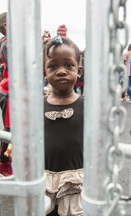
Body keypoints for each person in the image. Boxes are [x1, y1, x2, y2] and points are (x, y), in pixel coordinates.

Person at [43, 36, 84, 216]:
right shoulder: (37, 105)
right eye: (53, 66)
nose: (61, 71)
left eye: (68, 65)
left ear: (79, 70)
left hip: (75, 182)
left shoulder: (87, 105)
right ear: (45, 72)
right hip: (44, 181)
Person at [0, 12, 12, 176]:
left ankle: (12, 159)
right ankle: (4, 163)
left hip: (15, 92)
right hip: (10, 94)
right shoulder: (7, 44)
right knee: (9, 130)